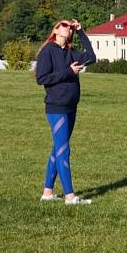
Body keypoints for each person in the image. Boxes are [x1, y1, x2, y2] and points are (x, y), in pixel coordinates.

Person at [35, 19, 96, 205]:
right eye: (65, 25)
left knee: (58, 148)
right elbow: (42, 78)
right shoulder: (48, 51)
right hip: (56, 107)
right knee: (63, 149)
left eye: (70, 27)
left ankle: (47, 192)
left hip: (71, 106)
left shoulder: (70, 52)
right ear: (56, 29)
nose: (68, 28)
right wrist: (69, 72)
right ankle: (70, 197)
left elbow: (92, 57)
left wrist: (81, 32)